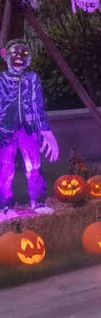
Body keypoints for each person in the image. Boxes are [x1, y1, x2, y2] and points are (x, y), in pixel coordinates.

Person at [1, 38, 58, 216]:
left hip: (29, 129)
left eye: (24, 53)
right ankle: (5, 206)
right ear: (5, 55)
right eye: (15, 53)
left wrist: (45, 131)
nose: (19, 57)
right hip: (5, 130)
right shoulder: (1, 79)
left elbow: (37, 105)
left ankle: (38, 201)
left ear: (30, 58)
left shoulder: (32, 78)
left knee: (33, 165)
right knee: (5, 168)